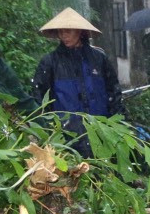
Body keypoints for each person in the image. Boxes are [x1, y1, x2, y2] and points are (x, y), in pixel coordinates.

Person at [31, 8, 123, 154]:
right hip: (67, 140)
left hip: (101, 133)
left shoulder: (99, 59)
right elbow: (39, 100)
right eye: (60, 32)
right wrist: (49, 130)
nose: (64, 36)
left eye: (68, 31)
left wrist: (119, 124)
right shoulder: (50, 62)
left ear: (80, 31)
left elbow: (114, 94)